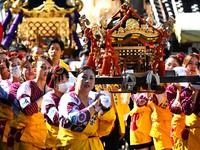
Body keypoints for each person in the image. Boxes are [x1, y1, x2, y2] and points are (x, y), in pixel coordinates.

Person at [57, 66, 116, 149]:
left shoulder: (94, 99)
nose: (88, 81)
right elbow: (76, 119)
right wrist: (95, 106)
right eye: (84, 77)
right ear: (76, 80)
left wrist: (106, 110)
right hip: (73, 146)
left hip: (94, 145)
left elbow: (104, 131)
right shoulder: (68, 98)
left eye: (91, 78)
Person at [16, 55, 52, 150]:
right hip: (28, 140)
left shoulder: (50, 89)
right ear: (35, 70)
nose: (46, 70)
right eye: (42, 67)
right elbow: (27, 109)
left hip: (46, 139)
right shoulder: (27, 86)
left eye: (49, 68)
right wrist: (46, 97)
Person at [41, 65, 73, 149]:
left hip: (69, 140)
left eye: (67, 79)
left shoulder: (70, 96)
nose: (66, 82)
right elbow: (55, 117)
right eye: (61, 80)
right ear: (53, 83)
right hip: (54, 140)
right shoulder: (48, 99)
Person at [177, 53, 200, 150]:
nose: (194, 66)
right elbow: (187, 110)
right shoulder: (182, 88)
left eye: (196, 64)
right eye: (190, 63)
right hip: (192, 131)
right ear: (184, 66)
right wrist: (194, 93)